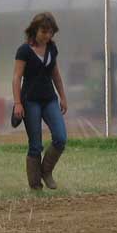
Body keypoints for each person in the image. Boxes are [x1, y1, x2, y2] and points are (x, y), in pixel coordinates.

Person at [12, 12, 68, 190]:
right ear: (35, 30)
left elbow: (55, 74)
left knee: (60, 138)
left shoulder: (52, 48)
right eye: (44, 31)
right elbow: (16, 77)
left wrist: (63, 97)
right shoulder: (24, 51)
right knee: (35, 144)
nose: (47, 36)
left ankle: (46, 171)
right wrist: (17, 103)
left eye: (50, 32)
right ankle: (35, 185)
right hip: (30, 101)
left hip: (49, 99)